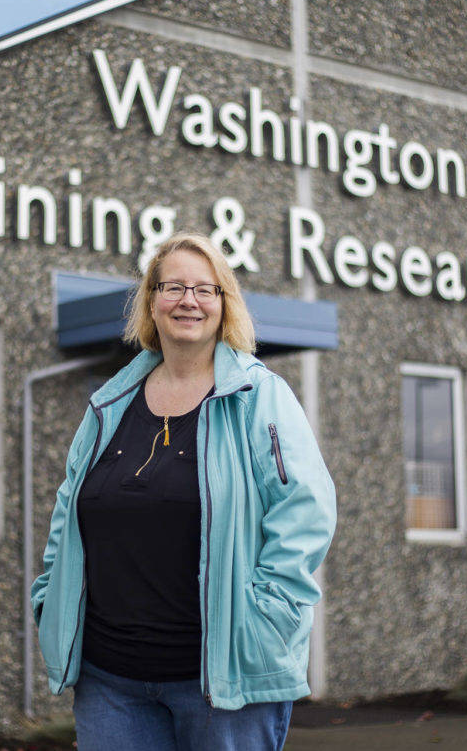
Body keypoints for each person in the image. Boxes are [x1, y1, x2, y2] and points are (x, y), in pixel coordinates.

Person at [30, 232, 336, 751]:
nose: (188, 300)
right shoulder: (111, 402)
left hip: (222, 677)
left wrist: (269, 616)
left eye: (205, 289)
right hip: (110, 679)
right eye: (173, 287)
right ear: (151, 300)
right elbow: (69, 507)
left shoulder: (259, 397)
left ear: (223, 304)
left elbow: (304, 512)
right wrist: (48, 595)